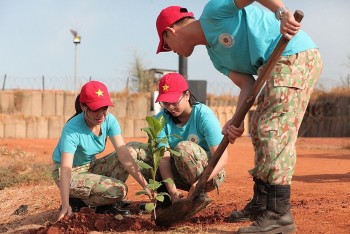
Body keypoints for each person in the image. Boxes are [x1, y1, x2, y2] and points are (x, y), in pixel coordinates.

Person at [155, 1, 322, 234]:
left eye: (166, 44)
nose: (170, 50)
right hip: (269, 69)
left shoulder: (214, 12)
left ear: (171, 31)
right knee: (258, 129)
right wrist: (236, 120)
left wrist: (281, 12)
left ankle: (278, 214)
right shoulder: (216, 56)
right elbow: (246, 83)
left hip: (292, 54)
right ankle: (262, 204)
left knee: (272, 130)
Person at [52, 80, 151, 221]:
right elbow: (66, 168)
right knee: (119, 190)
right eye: (95, 109)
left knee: (131, 151)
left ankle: (103, 201)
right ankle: (81, 201)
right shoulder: (72, 129)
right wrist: (65, 205)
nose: (101, 114)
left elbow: (124, 156)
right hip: (69, 172)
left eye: (104, 108)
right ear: (83, 106)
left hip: (90, 167)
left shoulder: (109, 120)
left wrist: (145, 186)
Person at [127, 72, 227, 207]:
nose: (170, 107)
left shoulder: (203, 115)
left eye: (174, 102)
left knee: (183, 147)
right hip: (178, 172)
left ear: (187, 95)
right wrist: (173, 192)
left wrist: (199, 183)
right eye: (165, 103)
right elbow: (164, 158)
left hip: (209, 174)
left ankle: (199, 195)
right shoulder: (161, 119)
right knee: (135, 151)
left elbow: (222, 157)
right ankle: (166, 198)